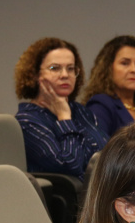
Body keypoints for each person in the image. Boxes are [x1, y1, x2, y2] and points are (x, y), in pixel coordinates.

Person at [14, 37, 108, 179]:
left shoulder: (81, 111)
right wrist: (64, 118)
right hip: (68, 193)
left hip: (103, 188)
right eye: (55, 68)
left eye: (70, 69)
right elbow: (70, 166)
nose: (65, 75)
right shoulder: (27, 121)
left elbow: (108, 154)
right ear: (34, 74)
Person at [82, 35, 135, 137]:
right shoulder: (101, 105)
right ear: (108, 68)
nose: (134, 70)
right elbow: (98, 145)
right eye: (125, 63)